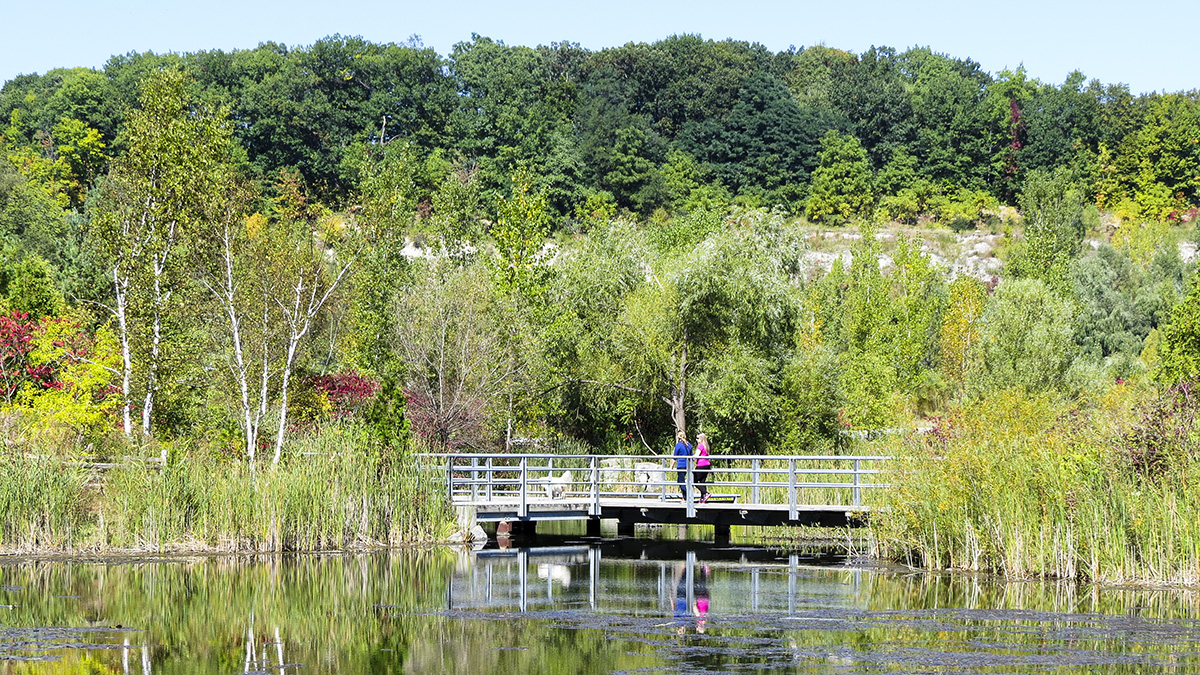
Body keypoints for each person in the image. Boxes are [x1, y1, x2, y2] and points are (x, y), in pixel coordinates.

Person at [672, 430, 691, 499]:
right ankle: (685, 496)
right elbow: (691, 455)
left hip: (681, 465)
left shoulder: (678, 445)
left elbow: (675, 457)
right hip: (688, 466)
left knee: (681, 481)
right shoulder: (689, 445)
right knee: (681, 480)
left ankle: (686, 495)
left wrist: (671, 466)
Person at [694, 433, 711, 503]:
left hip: (701, 465)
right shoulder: (706, 446)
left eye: (698, 438)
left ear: (701, 439)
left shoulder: (700, 446)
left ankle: (705, 493)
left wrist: (692, 458)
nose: (696, 440)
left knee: (693, 480)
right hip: (707, 465)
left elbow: (696, 456)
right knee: (702, 481)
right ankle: (703, 497)